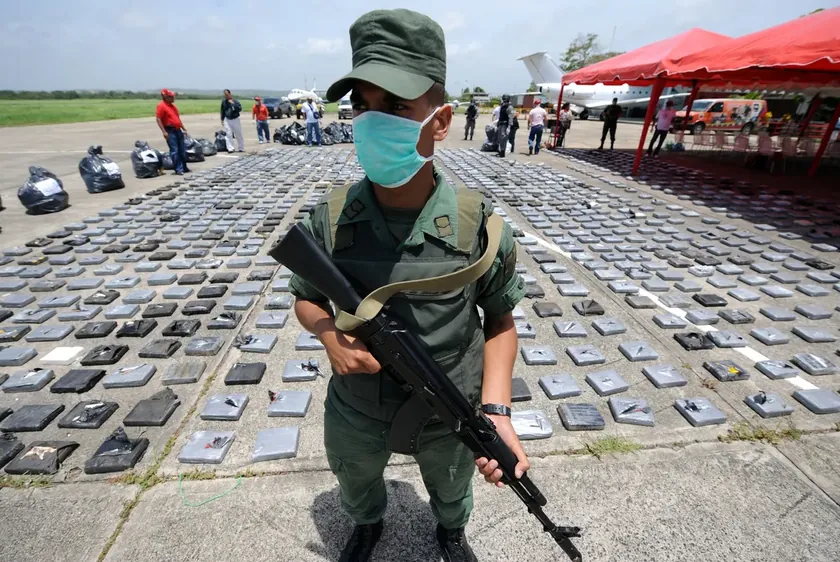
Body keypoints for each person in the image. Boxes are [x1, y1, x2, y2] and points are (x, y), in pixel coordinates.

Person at [289, 9, 526, 562]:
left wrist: (496, 411)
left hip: (450, 402)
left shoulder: (480, 225)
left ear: (439, 121)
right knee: (355, 479)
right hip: (358, 405)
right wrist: (328, 335)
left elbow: (500, 320)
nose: (373, 122)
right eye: (362, 107)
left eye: (396, 107)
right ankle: (368, 526)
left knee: (450, 485)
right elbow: (305, 295)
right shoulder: (331, 215)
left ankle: (450, 533)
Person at [155, 89, 190, 175]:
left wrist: (184, 128)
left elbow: (177, 119)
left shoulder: (173, 107)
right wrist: (164, 131)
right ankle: (178, 169)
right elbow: (158, 119)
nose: (173, 98)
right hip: (170, 131)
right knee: (175, 150)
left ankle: (184, 167)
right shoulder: (161, 106)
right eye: (171, 96)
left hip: (178, 130)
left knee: (182, 150)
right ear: (165, 97)